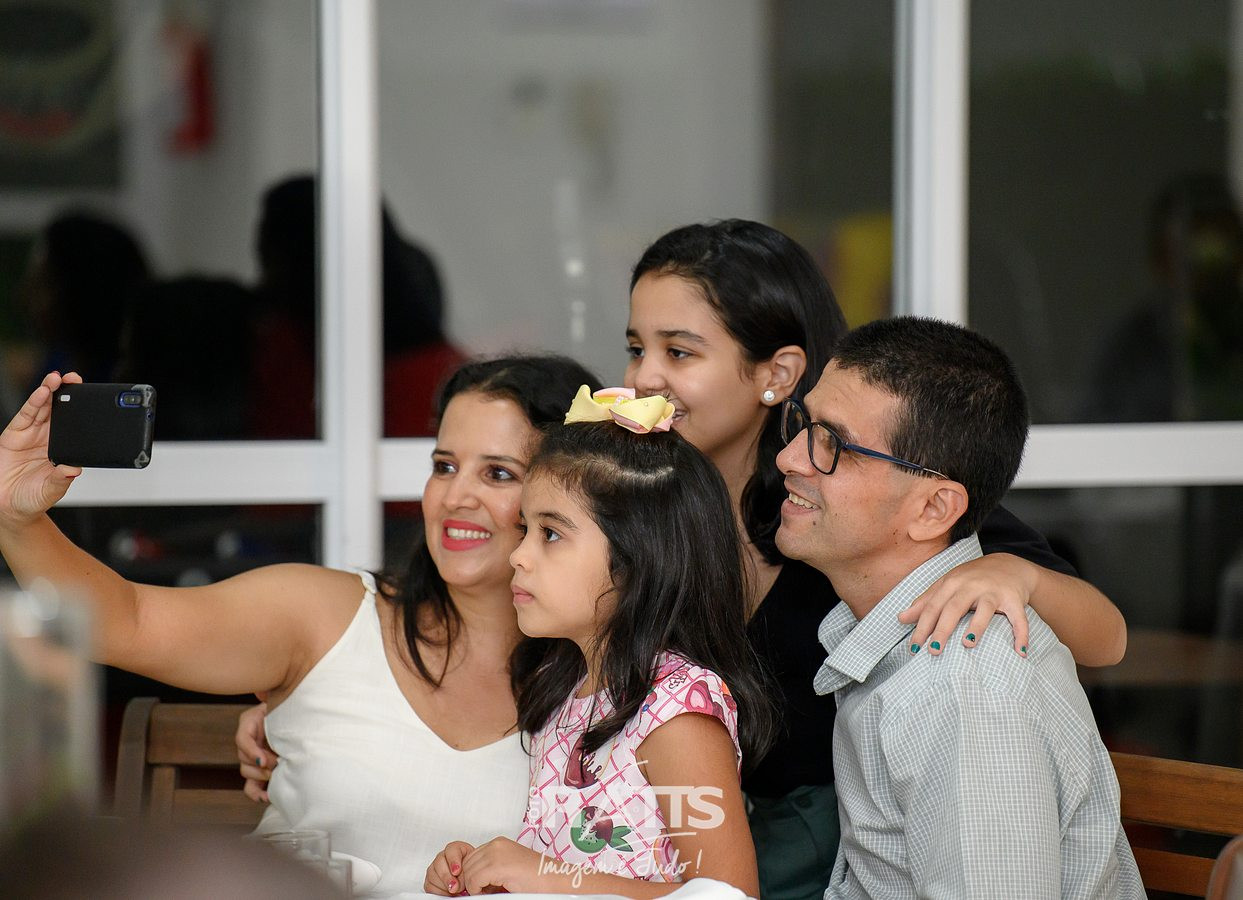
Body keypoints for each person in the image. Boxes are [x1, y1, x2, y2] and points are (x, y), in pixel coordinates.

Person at [621, 220, 1129, 899]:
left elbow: (1100, 638)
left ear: (777, 374)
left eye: (680, 351)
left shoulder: (958, 670)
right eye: (636, 348)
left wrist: (1020, 573)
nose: (644, 377)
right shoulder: (650, 505)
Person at [0, 354, 601, 898]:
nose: (455, 496)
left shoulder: (605, 685)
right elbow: (125, 621)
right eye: (444, 466)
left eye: (498, 474)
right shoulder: (325, 615)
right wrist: (16, 518)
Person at [776, 316, 1142, 898]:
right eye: (803, 424)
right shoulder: (900, 639)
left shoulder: (964, 689)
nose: (790, 458)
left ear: (933, 509)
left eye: (833, 444)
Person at [425, 392, 774, 897]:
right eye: (524, 529)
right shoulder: (564, 689)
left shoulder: (677, 711)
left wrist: (543, 875)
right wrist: (490, 873)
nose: (519, 556)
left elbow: (726, 894)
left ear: (637, 560)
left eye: (550, 534)